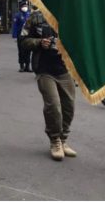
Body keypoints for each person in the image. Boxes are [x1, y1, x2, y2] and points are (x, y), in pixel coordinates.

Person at [21, 9, 77, 161]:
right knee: (53, 105)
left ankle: (63, 138)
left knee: (69, 106)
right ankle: (55, 141)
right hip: (45, 69)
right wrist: (39, 42)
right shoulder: (36, 16)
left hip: (66, 69)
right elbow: (23, 40)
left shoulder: (70, 14)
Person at [12, 1, 31, 72]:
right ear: (20, 7)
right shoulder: (18, 15)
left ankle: (27, 66)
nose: (25, 7)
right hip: (20, 34)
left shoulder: (29, 14)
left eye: (26, 6)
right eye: (24, 6)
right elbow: (15, 26)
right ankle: (21, 66)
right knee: (21, 50)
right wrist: (15, 35)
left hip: (28, 34)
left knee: (28, 50)